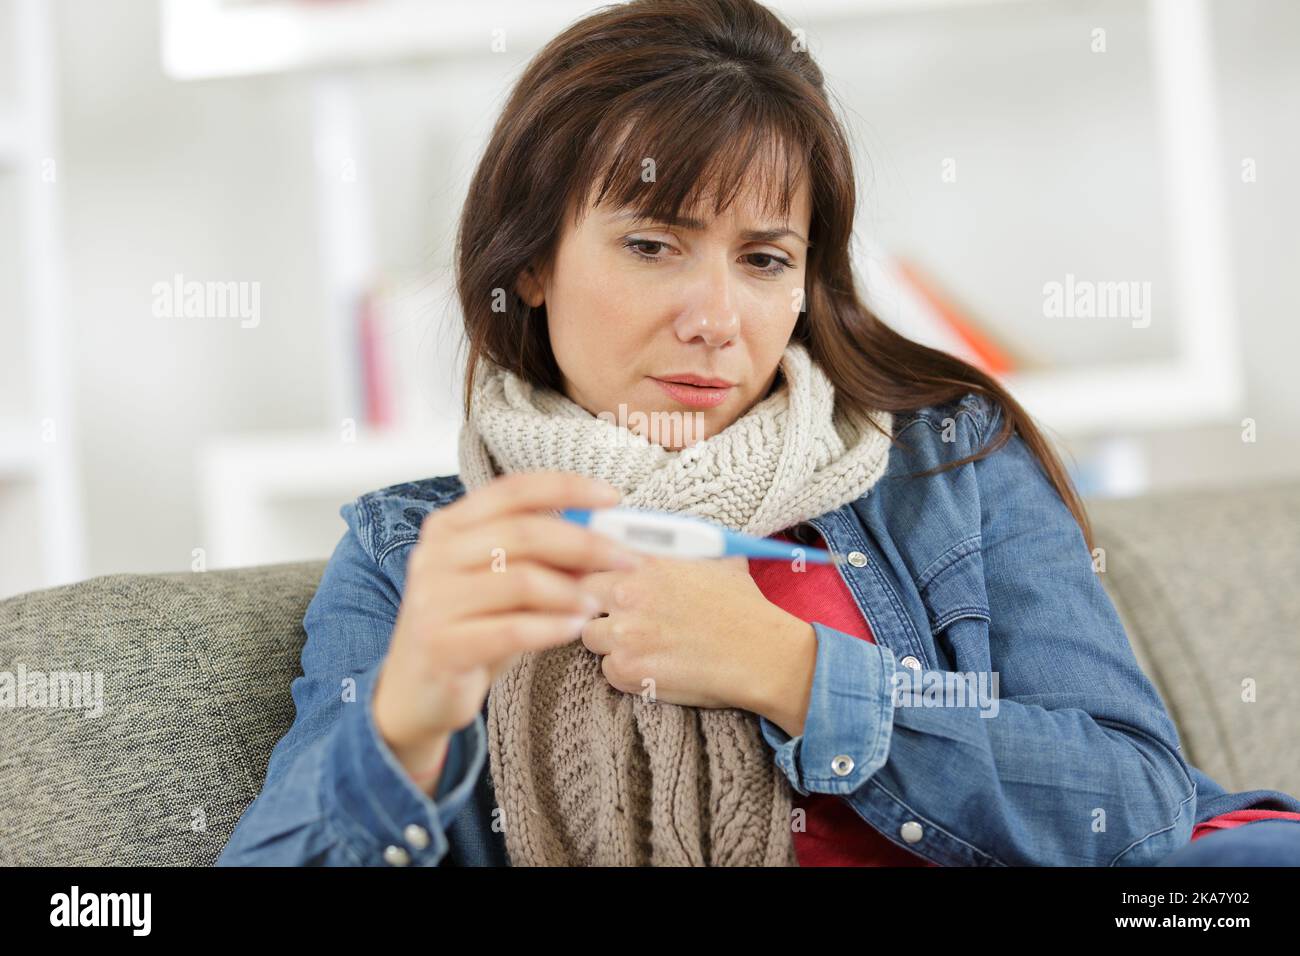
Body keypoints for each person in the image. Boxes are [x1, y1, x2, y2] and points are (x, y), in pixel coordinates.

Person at [218, 0, 1300, 866]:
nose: (713, 317)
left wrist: (788, 667)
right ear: (531, 263)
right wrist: (400, 727)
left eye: (764, 258)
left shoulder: (947, 461)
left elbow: (1138, 811)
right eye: (653, 245)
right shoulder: (418, 553)